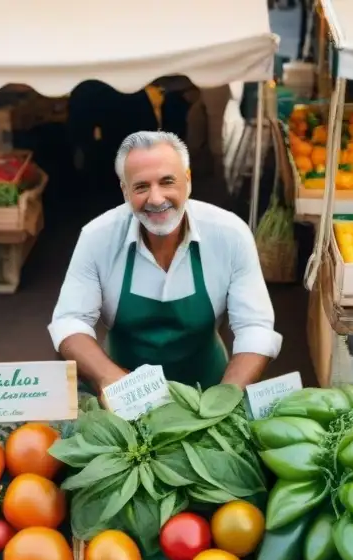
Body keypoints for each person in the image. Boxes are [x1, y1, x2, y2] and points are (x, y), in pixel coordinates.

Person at [49, 131, 281, 393]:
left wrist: (227, 395)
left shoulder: (229, 234)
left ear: (188, 180)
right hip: (124, 395)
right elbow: (70, 321)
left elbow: (255, 326)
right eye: (141, 186)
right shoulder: (97, 237)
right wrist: (109, 378)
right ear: (125, 191)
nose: (156, 199)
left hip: (208, 386)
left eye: (167, 181)